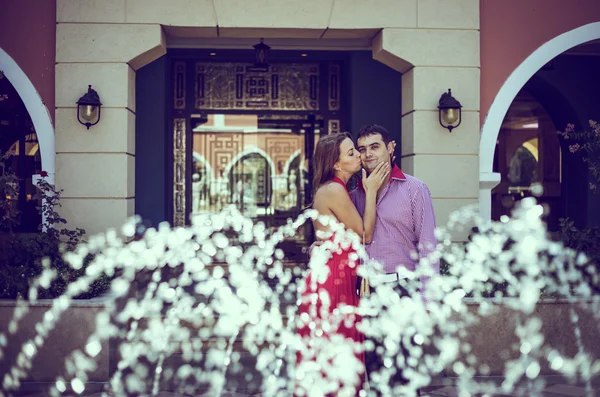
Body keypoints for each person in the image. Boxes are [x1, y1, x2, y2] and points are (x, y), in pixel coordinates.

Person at [296, 132, 390, 397]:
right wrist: (371, 190)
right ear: (336, 164)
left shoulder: (336, 188)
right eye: (351, 153)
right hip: (335, 280)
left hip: (335, 276)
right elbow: (364, 234)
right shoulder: (335, 189)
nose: (359, 156)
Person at [352, 124, 439, 396]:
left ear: (391, 148)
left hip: (404, 292)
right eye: (363, 149)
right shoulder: (354, 194)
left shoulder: (414, 190)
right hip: (366, 293)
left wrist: (427, 302)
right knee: (374, 372)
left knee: (404, 374)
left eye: (375, 147)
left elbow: (428, 247)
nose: (368, 155)